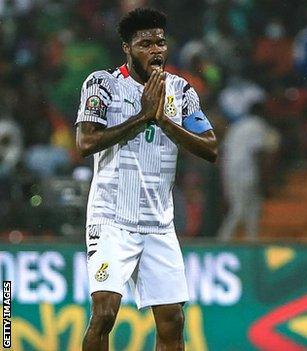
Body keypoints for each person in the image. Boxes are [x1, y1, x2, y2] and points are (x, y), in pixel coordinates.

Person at [75, 8, 217, 350]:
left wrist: (162, 120)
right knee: (105, 312)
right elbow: (86, 143)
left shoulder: (181, 92)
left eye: (160, 43)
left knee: (173, 320)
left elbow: (211, 148)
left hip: (158, 224)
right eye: (145, 43)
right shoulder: (102, 84)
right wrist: (143, 116)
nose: (156, 50)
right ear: (127, 48)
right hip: (111, 219)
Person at [217, 102, 280, 241]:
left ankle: (252, 241)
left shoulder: (237, 126)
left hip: (230, 171)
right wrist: (264, 179)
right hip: (247, 172)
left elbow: (223, 152)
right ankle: (222, 241)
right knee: (241, 209)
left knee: (253, 208)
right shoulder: (258, 125)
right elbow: (257, 152)